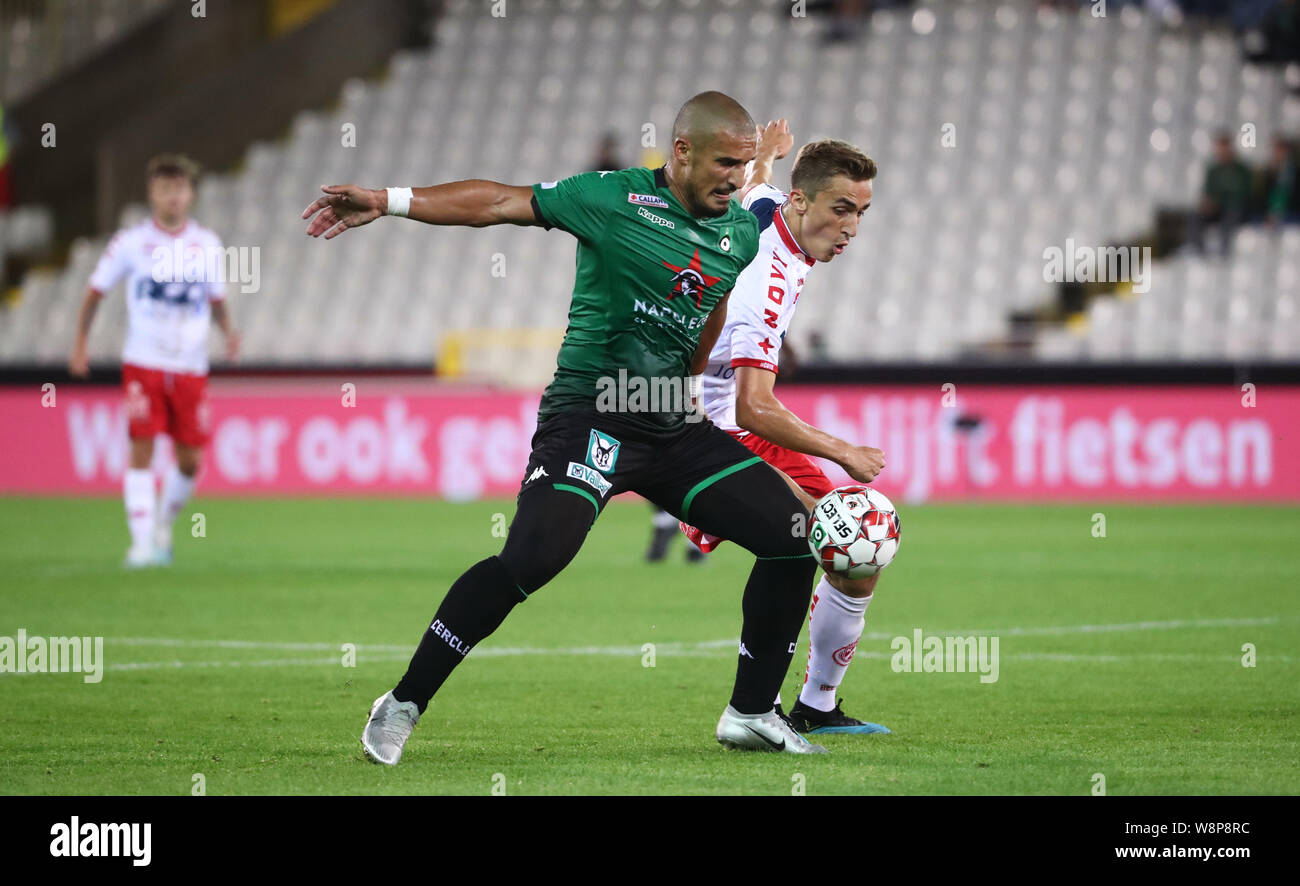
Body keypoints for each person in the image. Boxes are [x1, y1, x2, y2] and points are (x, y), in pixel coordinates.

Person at [303, 91, 830, 761]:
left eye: (744, 165)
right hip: (593, 415)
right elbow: (498, 202)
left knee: (793, 536)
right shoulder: (611, 200)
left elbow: (719, 300)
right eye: (724, 162)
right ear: (682, 152)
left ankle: (752, 713)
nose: (734, 176)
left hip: (673, 425)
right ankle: (404, 700)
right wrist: (389, 199)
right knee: (531, 560)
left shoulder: (739, 230)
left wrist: (692, 380)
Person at [681, 121, 889, 735]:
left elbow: (755, 188)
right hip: (712, 427)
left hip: (724, 416)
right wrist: (844, 451)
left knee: (852, 551)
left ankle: (810, 708)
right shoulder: (762, 285)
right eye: (841, 208)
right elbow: (754, 408)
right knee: (827, 538)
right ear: (804, 202)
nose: (851, 227)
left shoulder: (774, 213)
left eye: (862, 211)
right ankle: (758, 710)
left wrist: (767, 156)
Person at [69, 154, 239, 567]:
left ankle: (163, 523)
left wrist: (228, 332)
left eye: (179, 188)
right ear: (152, 194)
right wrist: (80, 341)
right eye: (165, 188)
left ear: (190, 194)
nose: (173, 196)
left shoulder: (207, 244)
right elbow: (96, 291)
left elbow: (216, 299)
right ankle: (142, 542)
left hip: (190, 366)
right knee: (141, 447)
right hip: (143, 362)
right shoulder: (131, 243)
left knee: (190, 459)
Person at [1188, 132, 1252, 256]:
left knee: (1230, 217)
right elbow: (1208, 192)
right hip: (1216, 210)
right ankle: (1199, 252)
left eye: (1224, 148)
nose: (1221, 152)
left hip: (1235, 209)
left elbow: (1242, 194)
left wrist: (1220, 201)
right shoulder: (1213, 170)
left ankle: (1224, 254)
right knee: (1194, 217)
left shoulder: (1241, 170)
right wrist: (1207, 204)